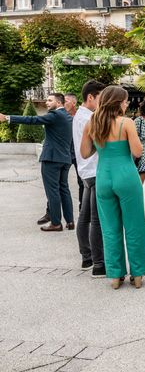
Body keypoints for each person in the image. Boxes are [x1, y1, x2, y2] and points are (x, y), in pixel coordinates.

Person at [80, 86, 145, 290]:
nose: (127, 104)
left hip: (104, 178)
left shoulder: (92, 123)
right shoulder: (126, 122)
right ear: (118, 102)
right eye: (126, 101)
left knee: (110, 229)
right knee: (134, 226)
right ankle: (137, 274)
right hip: (127, 177)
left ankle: (114, 275)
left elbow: (85, 153)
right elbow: (138, 152)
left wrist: (100, 143)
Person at [0, 93, 74, 231]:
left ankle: (56, 223)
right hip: (65, 159)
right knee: (64, 190)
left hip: (52, 159)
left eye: (50, 100)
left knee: (53, 191)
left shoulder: (55, 115)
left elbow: (32, 120)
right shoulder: (68, 117)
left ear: (59, 103)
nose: (46, 102)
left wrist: (7, 118)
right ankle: (70, 222)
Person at [73, 80, 106, 277]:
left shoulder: (78, 115)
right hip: (93, 170)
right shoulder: (91, 118)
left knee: (85, 216)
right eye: (100, 98)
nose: (102, 102)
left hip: (85, 171)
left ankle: (86, 256)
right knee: (96, 220)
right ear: (91, 97)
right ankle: (98, 264)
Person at [64, 93, 84, 211]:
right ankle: (50, 212)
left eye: (66, 101)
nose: (64, 103)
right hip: (64, 153)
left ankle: (83, 209)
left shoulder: (80, 117)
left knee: (82, 183)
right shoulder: (60, 116)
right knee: (57, 183)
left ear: (74, 103)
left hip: (78, 154)